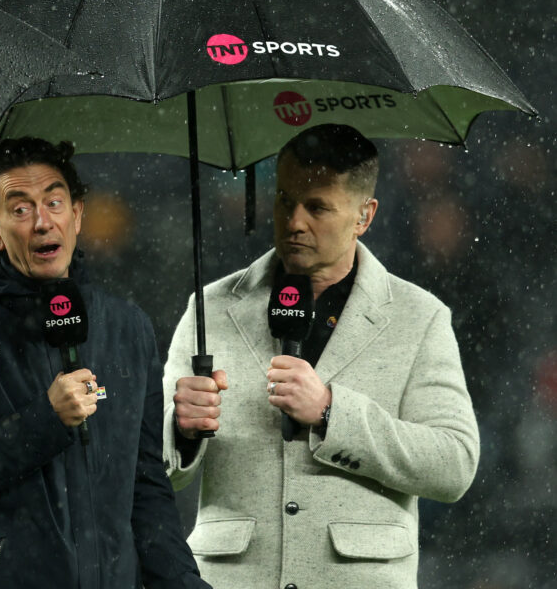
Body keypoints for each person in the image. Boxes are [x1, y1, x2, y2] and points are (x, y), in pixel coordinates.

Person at [162, 124, 480, 589]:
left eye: (317, 207)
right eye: (284, 200)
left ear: (364, 216)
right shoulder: (209, 307)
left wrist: (332, 412)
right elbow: (154, 467)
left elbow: (454, 464)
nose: (294, 222)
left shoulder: (420, 317)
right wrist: (180, 430)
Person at [0, 137, 209, 589]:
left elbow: (147, 486)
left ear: (77, 214)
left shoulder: (128, 328)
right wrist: (44, 421)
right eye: (20, 209)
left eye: (54, 202)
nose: (42, 222)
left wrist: (184, 584)